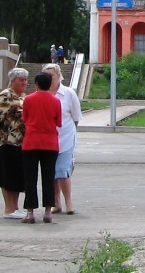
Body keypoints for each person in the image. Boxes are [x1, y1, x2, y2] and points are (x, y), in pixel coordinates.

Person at [20, 71, 62, 224]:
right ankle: (48, 211)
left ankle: (30, 212)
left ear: (36, 84)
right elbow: (58, 122)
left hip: (31, 141)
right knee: (48, 177)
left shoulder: (28, 99)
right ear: (49, 84)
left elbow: (25, 118)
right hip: (50, 142)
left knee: (30, 177)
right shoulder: (56, 101)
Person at [0, 67, 28, 219]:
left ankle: (16, 207)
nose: (24, 82)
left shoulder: (22, 97)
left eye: (25, 79)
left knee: (18, 176)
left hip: (21, 143)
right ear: (13, 81)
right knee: (7, 175)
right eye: (21, 80)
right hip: (7, 142)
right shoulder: (5, 96)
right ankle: (9, 208)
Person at [44, 63, 82, 214]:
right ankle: (56, 203)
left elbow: (76, 118)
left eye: (51, 75)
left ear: (58, 76)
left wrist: (68, 131)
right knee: (51, 172)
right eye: (46, 75)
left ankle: (68, 202)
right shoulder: (43, 93)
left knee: (62, 171)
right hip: (47, 139)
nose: (49, 78)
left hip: (65, 138)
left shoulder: (69, 93)